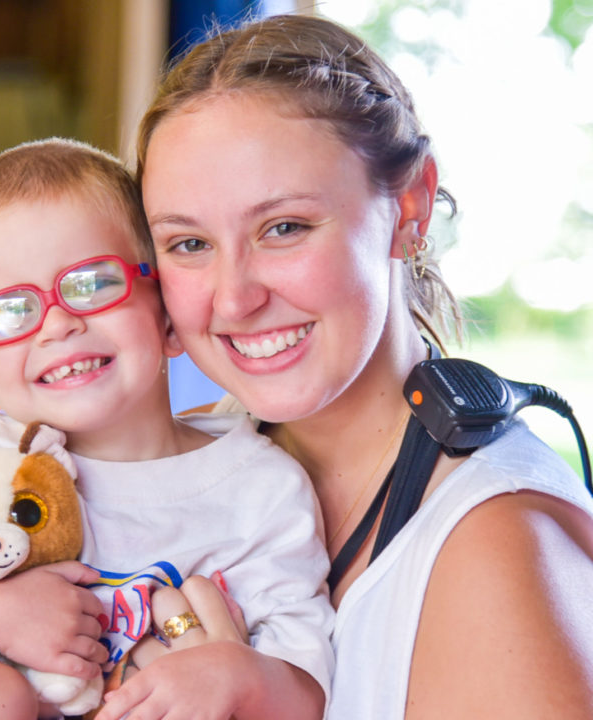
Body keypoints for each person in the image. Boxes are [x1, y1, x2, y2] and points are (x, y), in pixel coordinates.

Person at [100, 11, 593, 720]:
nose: (235, 298)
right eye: (188, 244)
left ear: (411, 207)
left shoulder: (497, 547)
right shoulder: (183, 467)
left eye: (285, 228)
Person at [0, 137, 334, 720]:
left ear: (168, 316)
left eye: (93, 282)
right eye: (9, 311)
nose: (58, 324)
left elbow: (307, 685)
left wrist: (239, 676)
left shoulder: (260, 487)